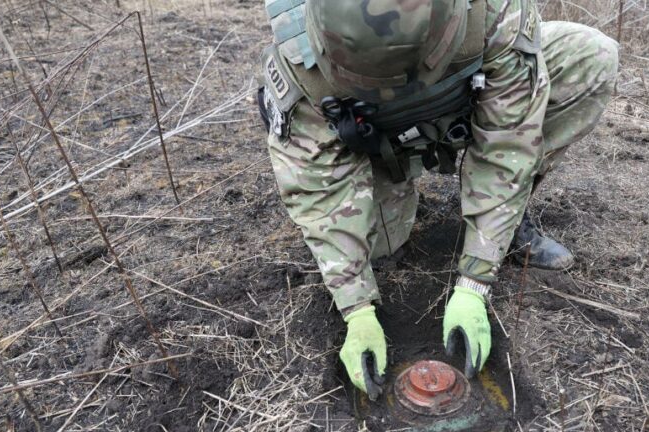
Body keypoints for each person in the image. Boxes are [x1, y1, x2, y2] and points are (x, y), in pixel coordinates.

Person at [258, 0, 618, 399]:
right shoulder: (298, 58)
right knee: (377, 251)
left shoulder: (493, 14)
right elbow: (316, 187)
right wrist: (355, 307)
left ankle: (506, 221)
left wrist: (475, 283)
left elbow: (507, 146)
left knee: (590, 56)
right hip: (381, 145)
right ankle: (395, 187)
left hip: (472, 98)